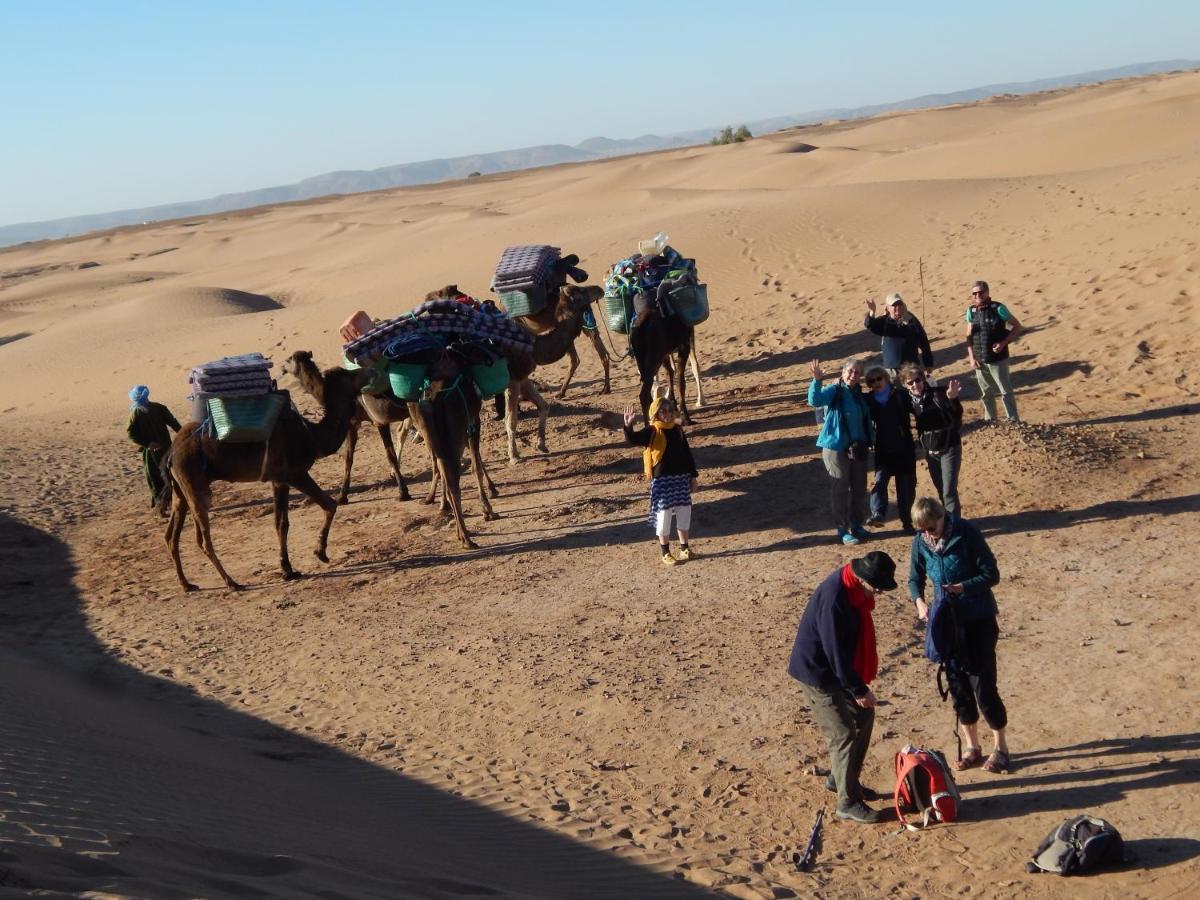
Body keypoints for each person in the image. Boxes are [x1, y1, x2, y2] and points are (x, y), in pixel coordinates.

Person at [787, 551, 898, 823]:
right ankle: (847, 802)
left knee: (865, 716)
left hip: (835, 671)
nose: (878, 594)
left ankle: (841, 781)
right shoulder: (836, 597)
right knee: (843, 732)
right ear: (862, 578)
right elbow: (835, 652)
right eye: (877, 588)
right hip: (818, 675)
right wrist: (859, 690)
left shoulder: (854, 591)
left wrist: (858, 690)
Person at [908, 496, 1012, 774]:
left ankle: (1000, 748)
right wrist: (919, 601)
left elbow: (991, 574)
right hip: (946, 624)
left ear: (942, 517)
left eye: (932, 527)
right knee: (958, 687)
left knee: (984, 687)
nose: (929, 533)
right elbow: (914, 578)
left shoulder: (967, 534)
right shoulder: (920, 542)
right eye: (923, 529)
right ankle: (972, 747)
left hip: (978, 619)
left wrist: (963, 587)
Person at [623, 396, 699, 565]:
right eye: (663, 410)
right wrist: (628, 425)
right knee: (664, 517)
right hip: (662, 481)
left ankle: (684, 548)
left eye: (670, 410)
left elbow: (687, 455)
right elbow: (632, 440)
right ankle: (665, 552)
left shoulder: (678, 429)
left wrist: (693, 477)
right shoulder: (652, 431)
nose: (667, 414)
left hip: (681, 479)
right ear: (656, 414)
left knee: (684, 514)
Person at [808, 358, 874, 545]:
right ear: (843, 372)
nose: (854, 375)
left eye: (857, 372)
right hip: (835, 447)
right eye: (851, 371)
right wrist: (817, 381)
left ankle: (857, 525)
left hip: (857, 448)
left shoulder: (859, 394)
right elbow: (814, 400)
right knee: (840, 489)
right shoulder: (835, 390)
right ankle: (842, 528)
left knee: (860, 488)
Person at [899, 363, 965, 521]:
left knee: (949, 489)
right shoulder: (909, 402)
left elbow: (957, 414)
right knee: (941, 488)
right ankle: (948, 520)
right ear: (905, 385)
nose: (915, 384)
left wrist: (953, 399)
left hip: (950, 446)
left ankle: (954, 524)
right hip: (930, 450)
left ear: (923, 379)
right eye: (910, 382)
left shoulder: (939, 394)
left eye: (918, 380)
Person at [863, 367, 916, 532]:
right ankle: (878, 514)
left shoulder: (900, 394)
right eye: (871, 381)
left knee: (905, 487)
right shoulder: (868, 399)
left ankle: (907, 523)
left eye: (879, 378)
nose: (876, 383)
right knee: (879, 482)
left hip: (904, 447)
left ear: (885, 378)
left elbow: (918, 408)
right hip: (882, 449)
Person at [964, 280, 1023, 423]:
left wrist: (1003, 343)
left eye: (980, 292)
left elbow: (1017, 326)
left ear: (987, 292)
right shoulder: (971, 311)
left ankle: (1013, 420)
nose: (978, 295)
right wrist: (972, 357)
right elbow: (969, 336)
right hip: (980, 359)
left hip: (998, 358)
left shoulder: (998, 308)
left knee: (1005, 391)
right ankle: (990, 420)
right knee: (986, 393)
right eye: (974, 293)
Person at [126, 385, 181, 510]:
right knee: (162, 475)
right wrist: (148, 444)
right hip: (159, 450)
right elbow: (174, 423)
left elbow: (130, 433)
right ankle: (163, 504)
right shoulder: (152, 409)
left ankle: (164, 505)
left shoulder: (140, 412)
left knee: (159, 476)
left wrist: (147, 444)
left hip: (158, 451)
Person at [863, 293, 933, 384]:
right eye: (894, 305)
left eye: (899, 304)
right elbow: (869, 325)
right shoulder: (884, 321)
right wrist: (872, 311)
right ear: (888, 308)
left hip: (911, 365)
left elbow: (923, 341)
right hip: (892, 369)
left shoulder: (910, 319)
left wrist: (928, 363)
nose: (897, 307)